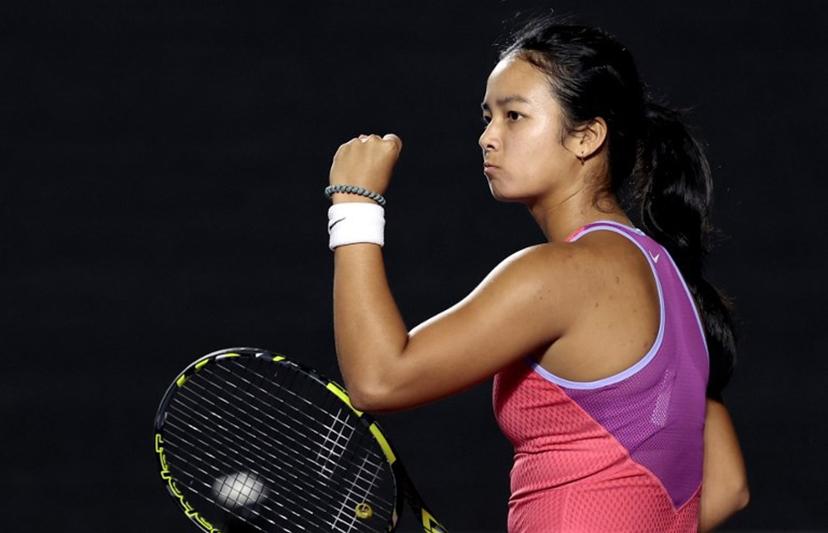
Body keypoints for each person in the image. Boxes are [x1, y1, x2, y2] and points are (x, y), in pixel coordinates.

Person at [324, 13, 749, 532]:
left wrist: (355, 203)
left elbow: (379, 379)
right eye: (487, 116)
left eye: (515, 116)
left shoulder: (560, 274)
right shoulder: (673, 281)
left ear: (587, 136)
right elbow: (727, 486)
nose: (488, 137)